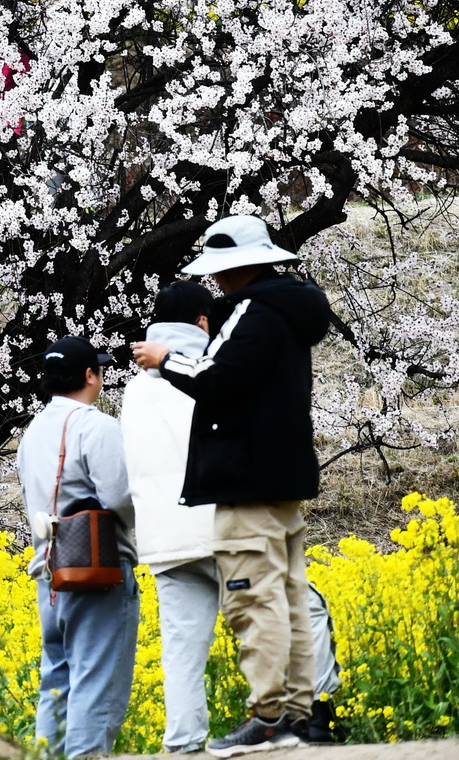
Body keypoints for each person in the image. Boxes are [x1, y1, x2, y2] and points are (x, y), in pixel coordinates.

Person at [129, 214, 333, 752]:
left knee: (252, 598)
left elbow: (215, 378)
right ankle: (296, 712)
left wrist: (164, 359)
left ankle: (269, 716)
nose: (215, 283)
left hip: (246, 482)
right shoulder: (289, 313)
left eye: (221, 272)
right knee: (286, 596)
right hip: (282, 477)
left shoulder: (253, 311)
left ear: (239, 267)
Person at [19, 335, 139, 760]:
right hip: (96, 569)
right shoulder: (96, 425)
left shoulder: (32, 432)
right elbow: (120, 497)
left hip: (49, 570)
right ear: (90, 375)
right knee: (96, 683)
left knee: (56, 683)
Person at [125, 279, 224, 754]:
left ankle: (184, 742)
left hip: (163, 538)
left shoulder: (133, 392)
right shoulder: (207, 374)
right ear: (203, 322)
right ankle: (302, 717)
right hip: (217, 528)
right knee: (285, 616)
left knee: (181, 649)